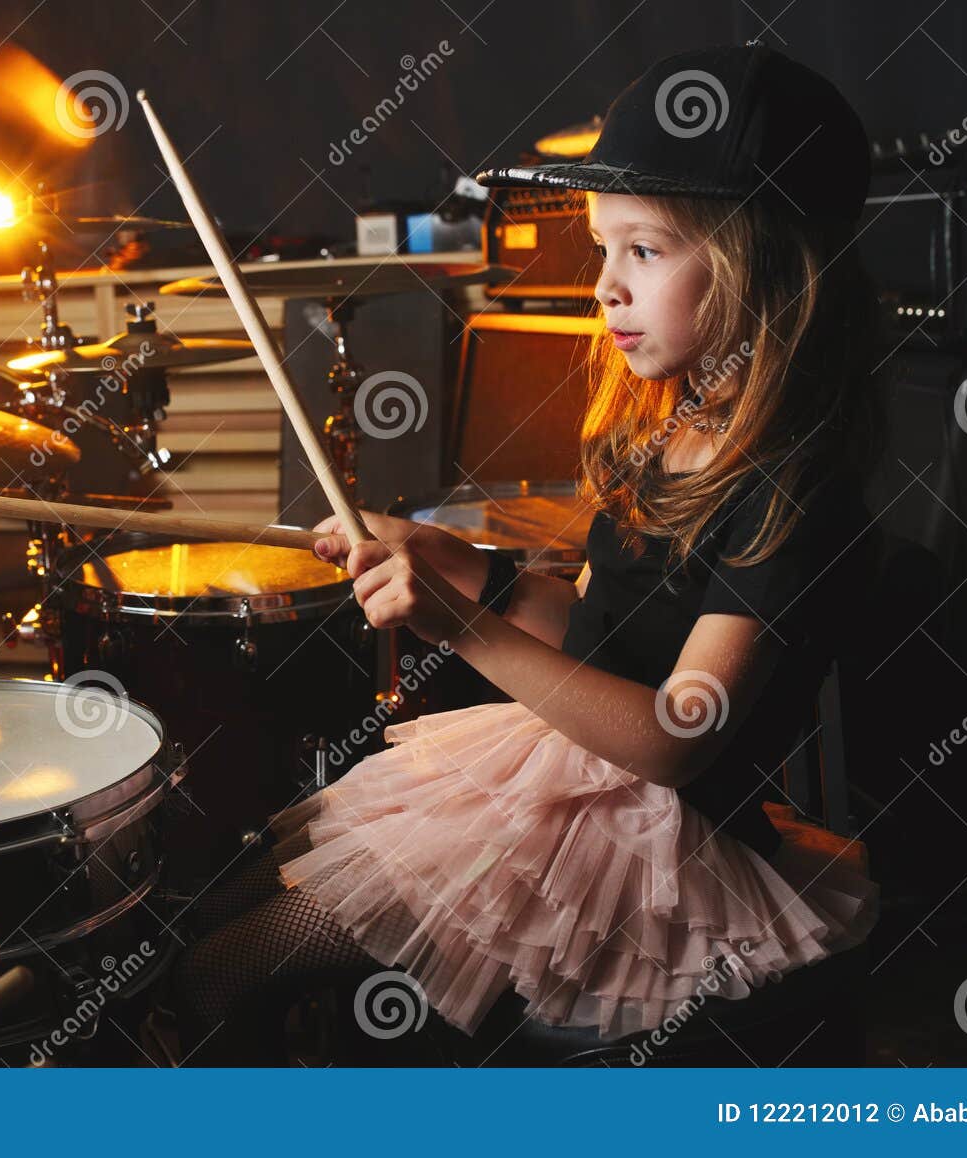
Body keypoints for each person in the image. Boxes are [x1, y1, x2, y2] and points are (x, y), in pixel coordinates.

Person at [168, 40, 884, 1064]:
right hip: (569, 782)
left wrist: (454, 625)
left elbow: (673, 736)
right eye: (602, 251)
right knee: (231, 894)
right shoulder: (663, 430)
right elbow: (593, 629)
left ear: (759, 262)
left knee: (225, 967)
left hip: (655, 838)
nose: (604, 288)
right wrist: (450, 560)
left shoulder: (790, 490)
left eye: (643, 250)